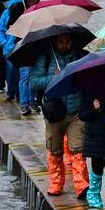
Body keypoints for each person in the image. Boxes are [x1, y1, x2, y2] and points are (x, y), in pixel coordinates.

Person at [29, 33, 89, 197]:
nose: (64, 44)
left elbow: (88, 80)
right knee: (55, 151)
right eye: (61, 41)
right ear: (55, 41)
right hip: (54, 113)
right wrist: (53, 77)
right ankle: (56, 184)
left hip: (75, 112)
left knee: (78, 149)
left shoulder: (79, 57)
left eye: (67, 41)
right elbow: (34, 81)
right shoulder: (46, 57)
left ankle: (82, 186)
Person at [78, 90, 105, 210]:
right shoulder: (88, 94)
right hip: (95, 138)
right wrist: (94, 108)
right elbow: (82, 115)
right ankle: (93, 196)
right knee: (97, 168)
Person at [0, 0, 39, 115]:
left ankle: (29, 101)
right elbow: (5, 30)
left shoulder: (38, 10)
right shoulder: (14, 10)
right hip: (15, 48)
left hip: (32, 47)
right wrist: (5, 44)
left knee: (29, 75)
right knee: (18, 75)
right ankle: (19, 99)